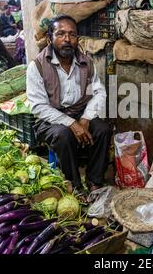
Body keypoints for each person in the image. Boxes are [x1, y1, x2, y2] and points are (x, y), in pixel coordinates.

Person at [26, 15, 110, 201]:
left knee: (103, 130)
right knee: (63, 134)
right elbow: (38, 106)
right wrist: (72, 123)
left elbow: (99, 93)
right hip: (49, 119)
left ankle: (95, 180)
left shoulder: (86, 63)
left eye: (72, 35)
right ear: (50, 38)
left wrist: (86, 118)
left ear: (77, 39)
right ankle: (74, 184)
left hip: (80, 114)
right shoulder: (37, 66)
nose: (67, 39)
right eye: (60, 34)